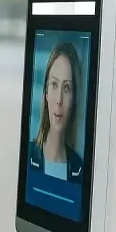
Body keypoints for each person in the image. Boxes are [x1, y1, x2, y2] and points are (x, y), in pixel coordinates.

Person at [28, 41, 84, 184]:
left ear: (74, 99)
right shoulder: (28, 155)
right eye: (54, 84)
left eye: (66, 88)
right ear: (46, 93)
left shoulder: (80, 168)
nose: (59, 100)